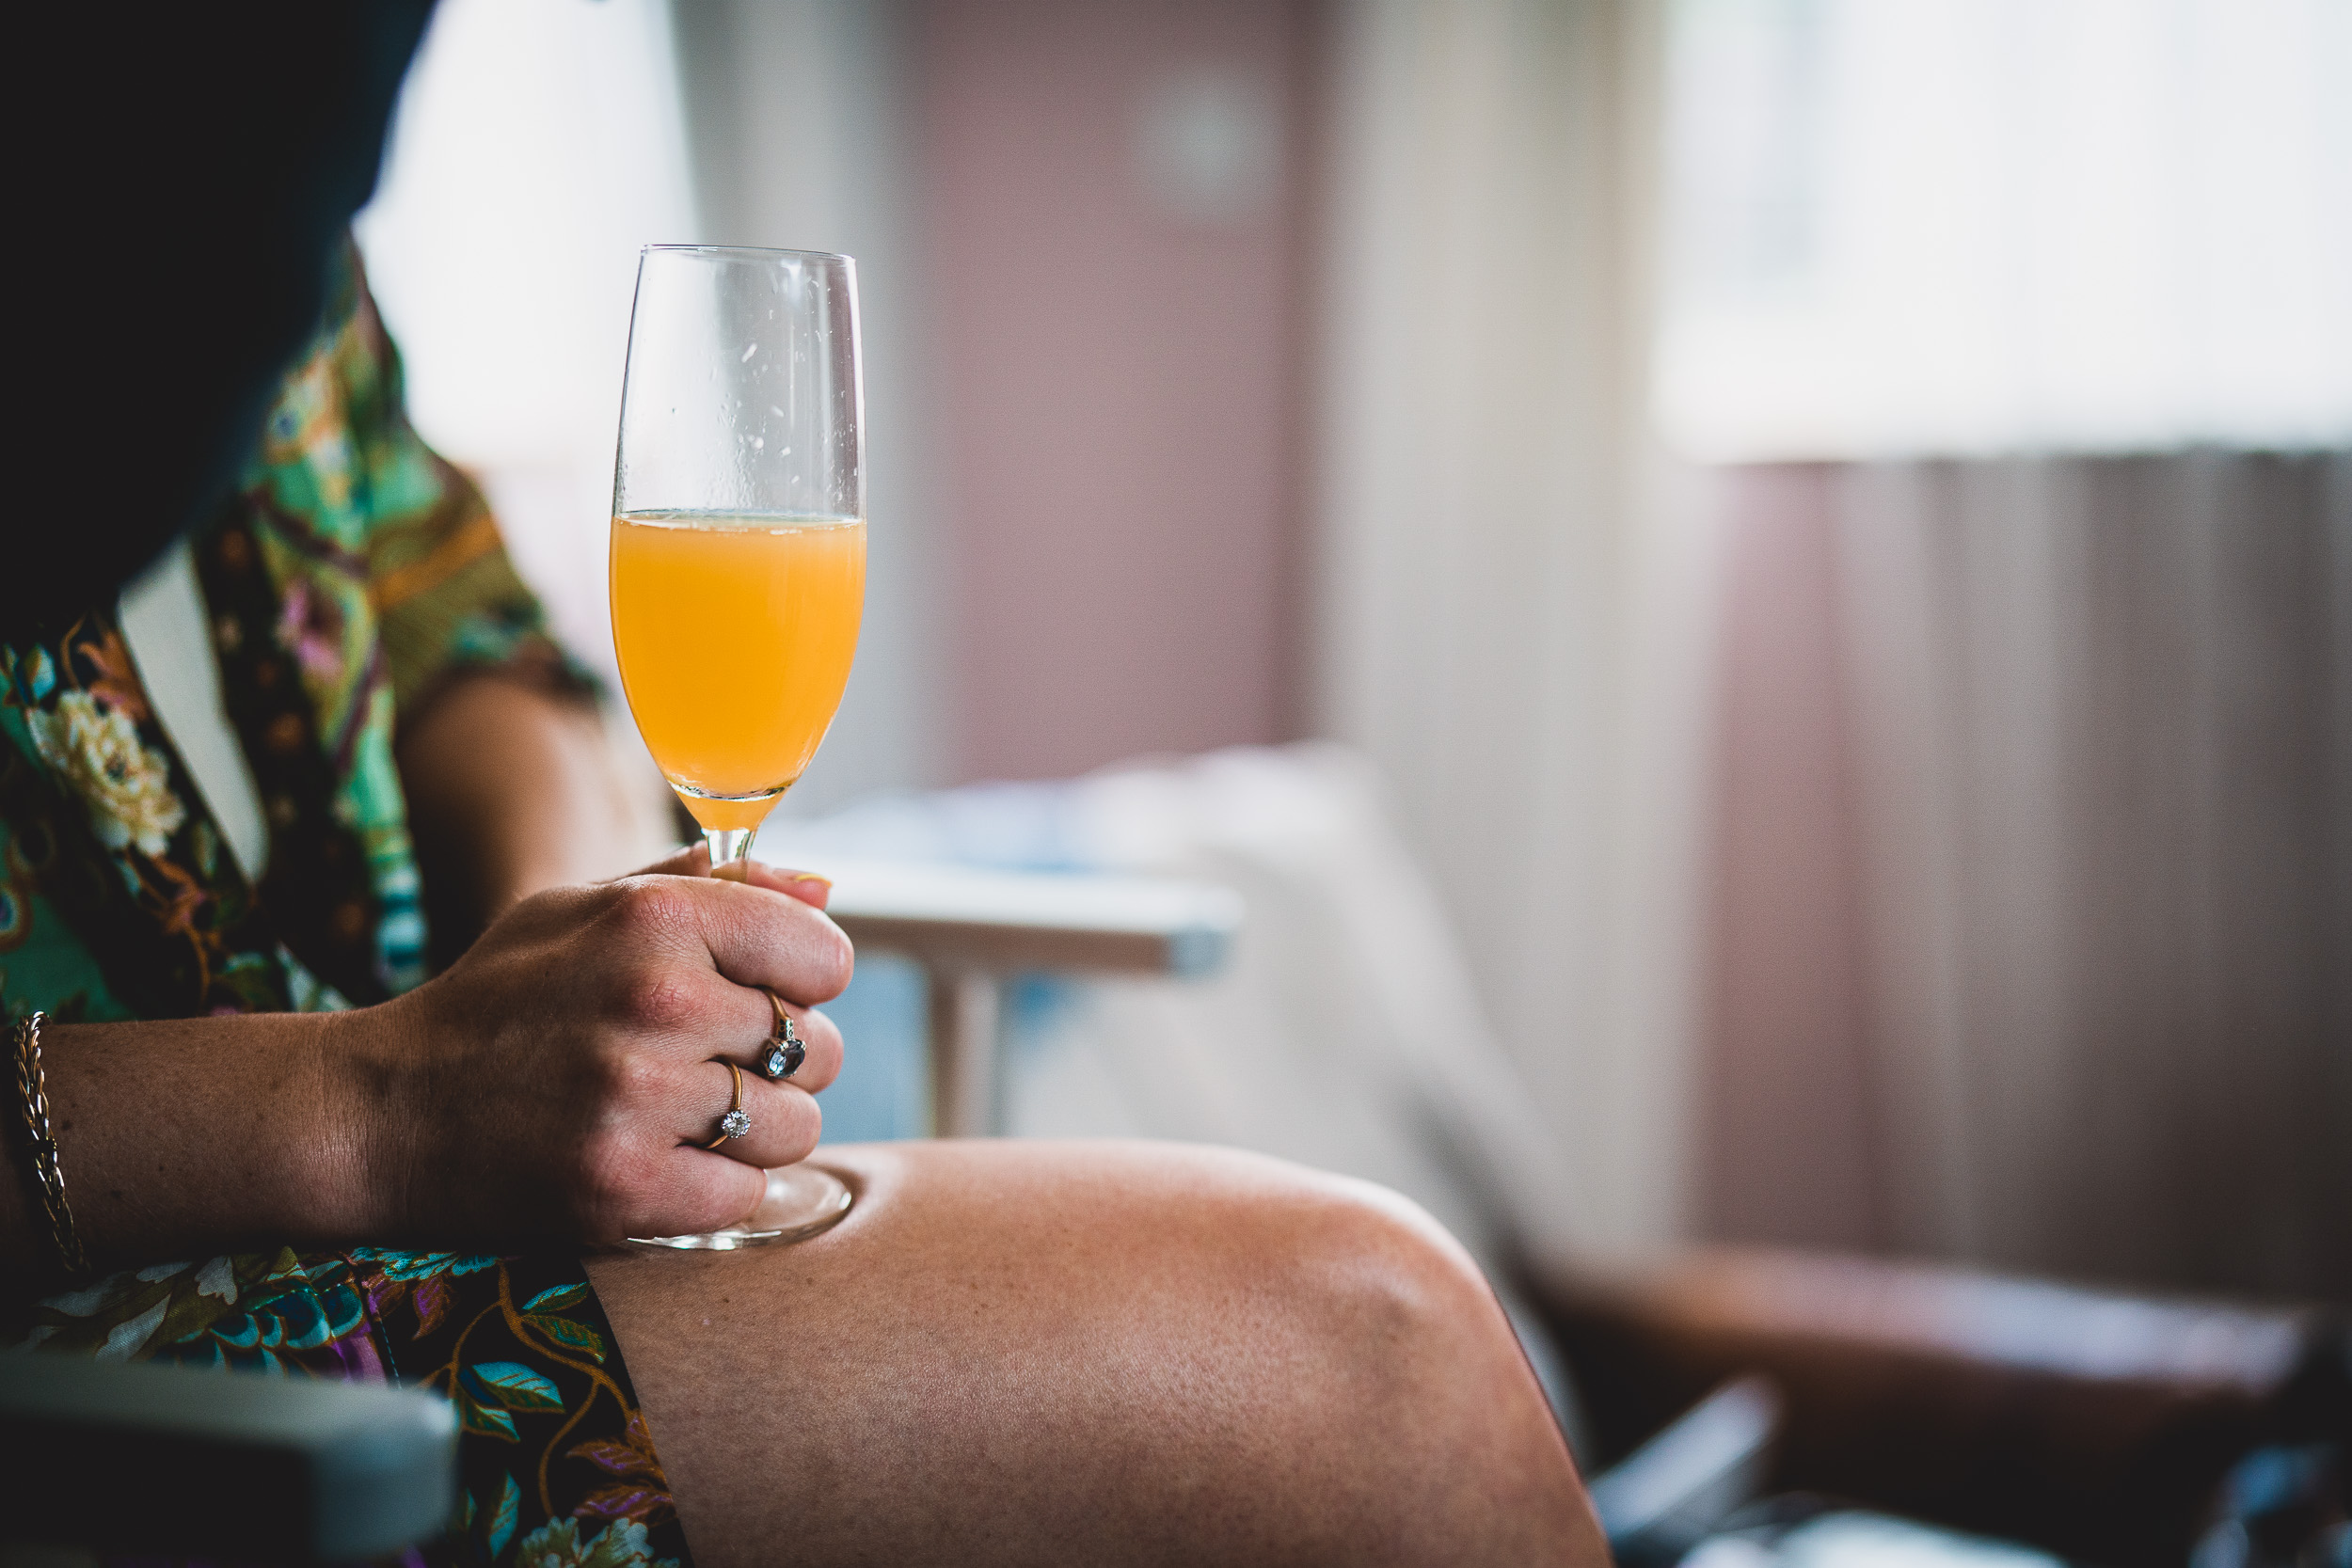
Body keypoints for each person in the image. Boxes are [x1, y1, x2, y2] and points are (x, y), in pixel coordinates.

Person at [5, 14, 1603, 1567]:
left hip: (438, 1205)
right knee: (1378, 1345)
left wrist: (553, 981)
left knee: (1390, 1314)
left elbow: (476, 642)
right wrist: (386, 1104)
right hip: (137, 1380)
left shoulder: (260, 226)